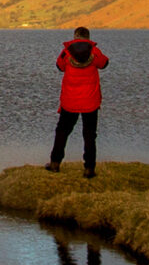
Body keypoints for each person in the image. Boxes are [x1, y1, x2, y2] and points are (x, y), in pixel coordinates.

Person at [46, 25, 109, 177]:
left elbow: (59, 66)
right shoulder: (94, 51)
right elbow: (104, 63)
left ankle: (55, 164)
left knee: (62, 131)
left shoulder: (66, 52)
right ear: (88, 37)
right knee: (89, 135)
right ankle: (89, 169)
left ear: (75, 37)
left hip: (70, 100)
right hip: (90, 101)